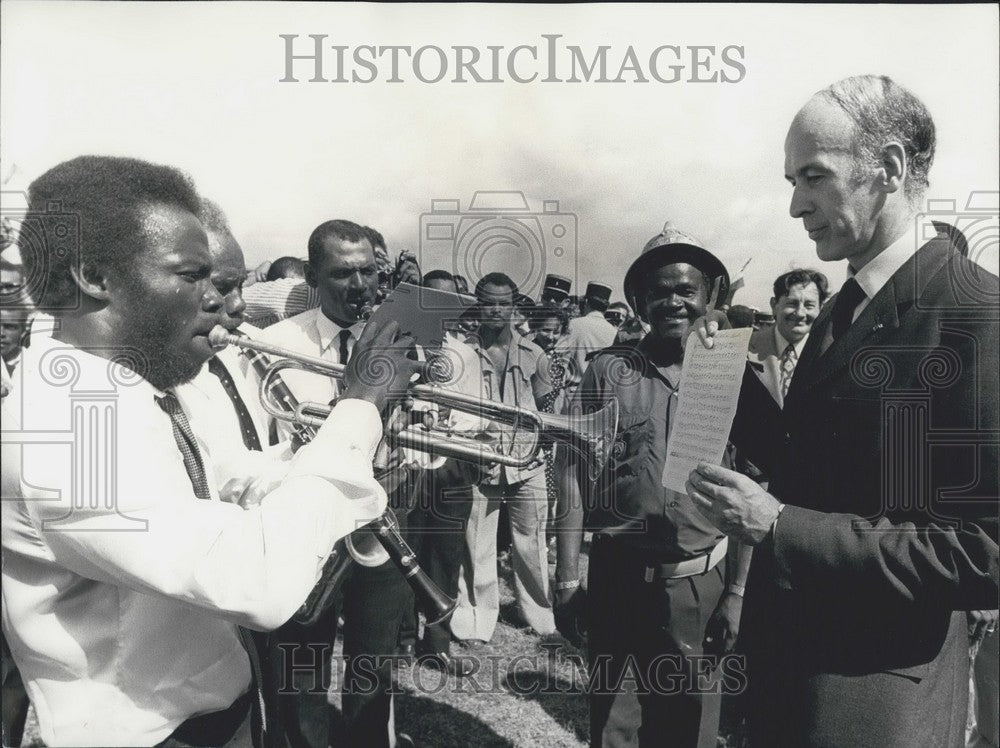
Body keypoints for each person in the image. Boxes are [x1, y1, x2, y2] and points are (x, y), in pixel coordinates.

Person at [0, 155, 416, 747]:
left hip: (217, 715)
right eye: (192, 275)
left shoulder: (133, 390)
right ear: (95, 277)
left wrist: (338, 457)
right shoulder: (64, 425)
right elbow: (257, 580)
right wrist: (361, 410)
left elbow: (227, 479)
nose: (221, 300)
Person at [686, 75, 999, 747]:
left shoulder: (978, 315)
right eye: (791, 181)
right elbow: (820, 454)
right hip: (785, 671)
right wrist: (722, 373)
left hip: (872, 697)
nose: (796, 204)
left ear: (887, 167)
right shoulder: (844, 305)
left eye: (813, 177)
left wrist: (779, 527)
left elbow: (985, 549)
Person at [555, 225, 751, 748]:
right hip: (617, 575)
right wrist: (568, 578)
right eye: (659, 291)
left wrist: (736, 592)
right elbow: (572, 473)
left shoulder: (732, 373)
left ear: (708, 296)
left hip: (698, 584)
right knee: (612, 726)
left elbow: (752, 487)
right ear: (639, 301)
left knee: (690, 727)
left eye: (686, 290)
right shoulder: (607, 371)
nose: (673, 302)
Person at [257, 219, 416, 748]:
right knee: (302, 672)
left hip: (381, 526)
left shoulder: (408, 342)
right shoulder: (273, 344)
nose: (359, 287)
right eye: (342, 274)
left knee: (374, 670)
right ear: (311, 276)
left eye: (369, 272)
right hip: (307, 531)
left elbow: (437, 441)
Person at [452, 272, 557, 641]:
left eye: (504, 304)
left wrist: (536, 448)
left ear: (514, 308)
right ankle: (475, 622)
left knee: (532, 543)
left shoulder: (536, 354)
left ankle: (542, 619)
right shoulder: (460, 352)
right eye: (488, 303)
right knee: (477, 545)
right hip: (479, 463)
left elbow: (547, 408)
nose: (496, 311)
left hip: (527, 464)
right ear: (477, 307)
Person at [747, 269, 829, 407]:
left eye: (809, 305)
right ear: (774, 305)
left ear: (820, 308)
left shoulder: (828, 354)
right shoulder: (745, 347)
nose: (800, 313)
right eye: (792, 303)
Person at [554, 281, 618, 399]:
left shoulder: (573, 324)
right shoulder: (614, 332)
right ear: (606, 306)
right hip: (600, 396)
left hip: (573, 393)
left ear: (587, 302)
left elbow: (557, 358)